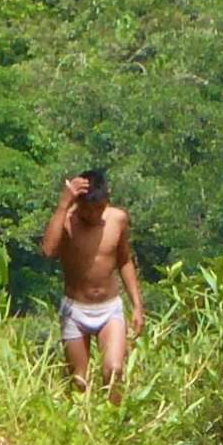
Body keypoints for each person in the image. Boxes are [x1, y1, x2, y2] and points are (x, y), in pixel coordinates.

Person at [39, 168, 145, 404]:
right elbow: (48, 250)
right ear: (79, 203)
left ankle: (113, 423)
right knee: (79, 383)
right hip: (75, 310)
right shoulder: (66, 222)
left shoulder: (117, 219)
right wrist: (63, 204)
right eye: (89, 209)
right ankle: (84, 431)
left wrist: (137, 305)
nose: (95, 214)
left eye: (100, 207)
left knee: (114, 370)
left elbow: (124, 259)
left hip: (110, 309)